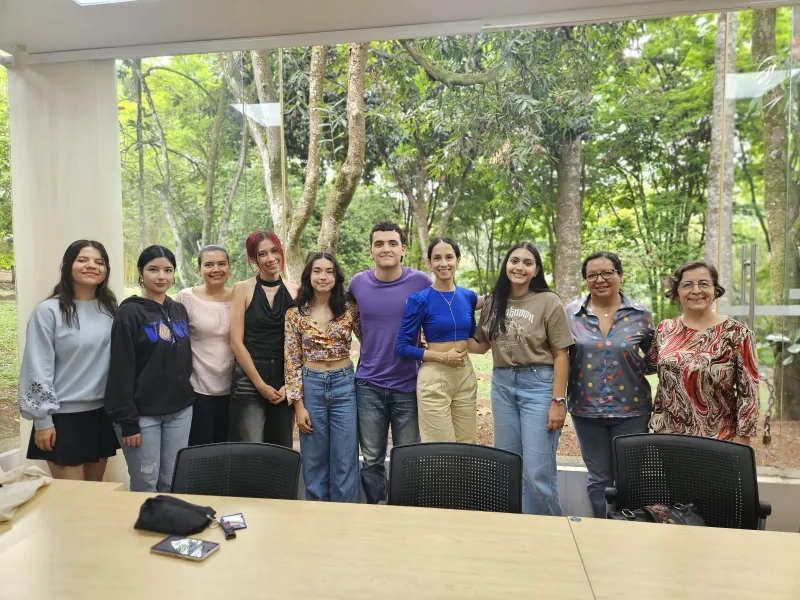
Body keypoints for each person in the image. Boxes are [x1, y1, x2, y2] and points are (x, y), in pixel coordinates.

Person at [468, 242, 573, 515]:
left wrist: (558, 401)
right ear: (506, 264)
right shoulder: (494, 301)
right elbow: (481, 345)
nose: (519, 267)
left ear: (536, 270)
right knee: (507, 465)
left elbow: (562, 354)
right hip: (502, 385)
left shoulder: (548, 301)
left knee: (537, 473)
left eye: (528, 263)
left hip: (539, 385)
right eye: (514, 261)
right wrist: (442, 336)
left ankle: (547, 531)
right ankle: (515, 530)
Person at [18, 240, 119, 481]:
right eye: (83, 260)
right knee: (73, 498)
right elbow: (37, 367)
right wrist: (42, 420)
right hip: (62, 418)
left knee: (95, 495)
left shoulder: (111, 309)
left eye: (99, 262)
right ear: (68, 266)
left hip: (101, 414)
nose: (91, 266)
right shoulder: (48, 311)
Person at [565, 251, 654, 518]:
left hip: (632, 410)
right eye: (592, 275)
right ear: (585, 279)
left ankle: (628, 529)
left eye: (607, 273)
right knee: (599, 478)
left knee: (631, 477)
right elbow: (559, 356)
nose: (600, 279)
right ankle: (602, 528)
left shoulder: (641, 314)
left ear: (620, 276)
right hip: (586, 408)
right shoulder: (570, 314)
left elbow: (654, 358)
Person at [348, 221, 430, 503]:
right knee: (372, 458)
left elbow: (447, 303)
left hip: (409, 384)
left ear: (403, 249)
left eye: (393, 243)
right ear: (370, 250)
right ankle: (376, 509)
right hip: (368, 385)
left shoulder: (420, 282)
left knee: (408, 456)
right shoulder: (357, 284)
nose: (386, 249)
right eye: (379, 244)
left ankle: (404, 510)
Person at [104, 245, 194, 492]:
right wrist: (128, 421)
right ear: (141, 273)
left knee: (172, 481)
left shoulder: (178, 309)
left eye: (168, 270)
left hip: (180, 411)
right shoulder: (129, 312)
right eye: (153, 269)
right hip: (142, 416)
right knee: (146, 483)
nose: (161, 276)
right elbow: (121, 368)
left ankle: (167, 518)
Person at [649, 260, 759, 443]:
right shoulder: (665, 329)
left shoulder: (738, 334)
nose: (696, 290)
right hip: (667, 437)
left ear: (715, 290)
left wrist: (743, 439)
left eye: (703, 284)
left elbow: (749, 395)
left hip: (718, 439)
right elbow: (648, 366)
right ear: (677, 292)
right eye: (687, 284)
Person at [285, 252, 361, 502]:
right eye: (317, 271)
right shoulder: (295, 313)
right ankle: (317, 517)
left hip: (344, 384)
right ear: (308, 275)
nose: (323, 276)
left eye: (329, 271)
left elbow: (371, 339)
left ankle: (345, 517)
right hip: (312, 385)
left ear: (336, 276)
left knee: (345, 459)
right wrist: (298, 405)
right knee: (314, 461)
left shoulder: (350, 309)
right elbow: (292, 359)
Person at [396, 237, 478, 443]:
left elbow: (474, 337)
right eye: (437, 258)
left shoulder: (468, 296)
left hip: (465, 375)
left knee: (467, 445)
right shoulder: (420, 299)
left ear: (458, 261)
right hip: (434, 377)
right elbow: (402, 347)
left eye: (449, 257)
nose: (444, 263)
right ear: (429, 263)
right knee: (441, 449)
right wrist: (443, 358)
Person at [229, 231, 299, 447]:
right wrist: (260, 384)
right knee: (249, 449)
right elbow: (235, 342)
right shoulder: (242, 289)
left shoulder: (295, 290)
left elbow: (298, 344)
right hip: (249, 380)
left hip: (283, 380)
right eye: (262, 254)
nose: (270, 258)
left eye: (274, 251)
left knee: (281, 449)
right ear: (253, 259)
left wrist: (290, 384)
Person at [175, 245, 234, 446]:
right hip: (197, 386)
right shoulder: (185, 298)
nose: (216, 269)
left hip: (235, 387)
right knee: (200, 448)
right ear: (199, 269)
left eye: (221, 264)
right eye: (209, 265)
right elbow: (176, 341)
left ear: (229, 267)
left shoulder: (240, 297)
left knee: (226, 447)